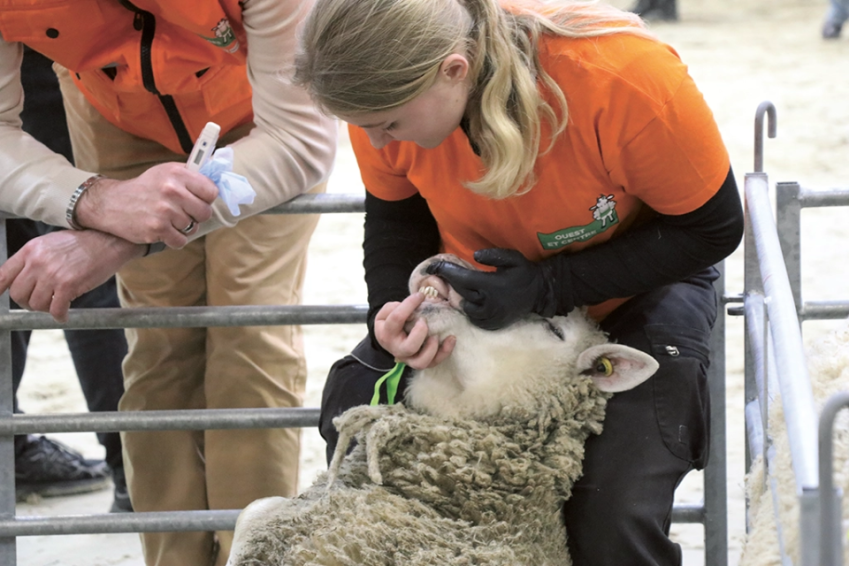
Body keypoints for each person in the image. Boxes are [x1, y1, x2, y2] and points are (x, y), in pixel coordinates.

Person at [295, 0, 743, 564]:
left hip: (641, 275)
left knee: (613, 505)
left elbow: (712, 226)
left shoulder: (623, 77)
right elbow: (396, 213)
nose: (379, 143)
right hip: (478, 292)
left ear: (453, 70)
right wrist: (392, 310)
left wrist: (547, 288)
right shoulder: (385, 98)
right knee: (356, 419)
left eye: (388, 125)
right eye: (365, 128)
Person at [0, 1, 336, 565]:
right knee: (158, 345)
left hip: (259, 113)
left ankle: (252, 556)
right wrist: (97, 200)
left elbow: (300, 140)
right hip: (112, 107)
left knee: (250, 338)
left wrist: (119, 235)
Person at [10, 45, 131, 513]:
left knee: (23, 241)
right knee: (86, 251)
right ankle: (131, 465)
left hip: (40, 43)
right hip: (43, 47)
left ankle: (11, 447)